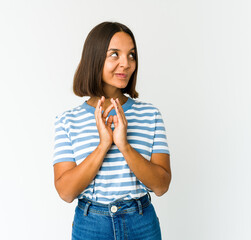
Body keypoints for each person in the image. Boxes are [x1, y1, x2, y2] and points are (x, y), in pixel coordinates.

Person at [53, 21, 172, 240]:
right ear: (95, 58)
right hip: (90, 226)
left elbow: (161, 185)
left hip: (141, 224)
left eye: (131, 55)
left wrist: (124, 146)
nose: (126, 64)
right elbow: (66, 192)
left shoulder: (150, 115)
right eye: (115, 54)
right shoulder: (67, 121)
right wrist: (103, 145)